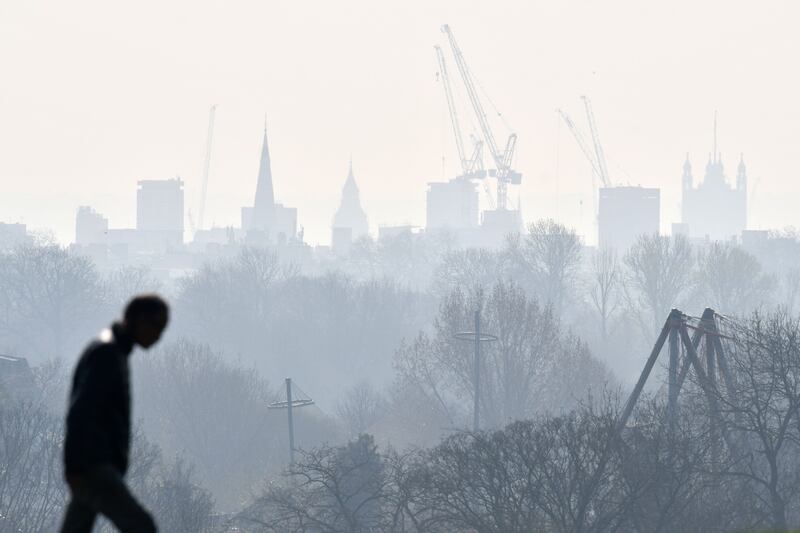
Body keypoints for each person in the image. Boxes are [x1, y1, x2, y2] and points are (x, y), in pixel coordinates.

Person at [59, 294, 169, 533]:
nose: (159, 335)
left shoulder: (109, 350)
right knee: (142, 526)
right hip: (94, 465)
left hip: (89, 464)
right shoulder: (107, 354)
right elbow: (81, 411)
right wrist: (75, 465)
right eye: (157, 327)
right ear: (139, 320)